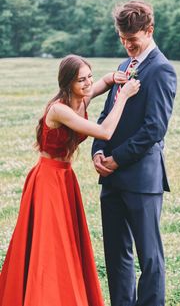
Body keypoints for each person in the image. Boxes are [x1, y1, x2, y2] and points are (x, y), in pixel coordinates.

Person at [0, 54, 140, 306]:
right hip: (47, 179)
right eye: (80, 80)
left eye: (89, 77)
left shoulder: (81, 98)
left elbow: (102, 83)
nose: (87, 84)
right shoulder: (60, 109)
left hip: (64, 177)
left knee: (66, 240)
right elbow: (105, 132)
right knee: (50, 242)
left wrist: (112, 78)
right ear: (66, 83)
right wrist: (124, 95)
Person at [92, 0, 177, 306]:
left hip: (142, 178)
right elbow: (105, 115)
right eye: (123, 39)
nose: (128, 45)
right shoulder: (121, 68)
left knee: (149, 257)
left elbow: (154, 129)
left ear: (149, 30)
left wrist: (117, 159)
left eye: (133, 40)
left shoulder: (162, 69)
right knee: (116, 256)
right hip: (111, 179)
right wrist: (98, 151)